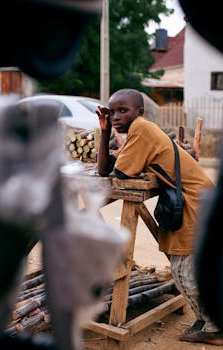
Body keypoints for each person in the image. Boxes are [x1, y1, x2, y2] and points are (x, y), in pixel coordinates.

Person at [96, 88, 223, 346]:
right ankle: (207, 320)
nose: (116, 116)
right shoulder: (138, 131)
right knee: (183, 270)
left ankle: (215, 330)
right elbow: (104, 169)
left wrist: (113, 148)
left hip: (194, 205)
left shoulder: (141, 129)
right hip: (192, 201)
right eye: (112, 112)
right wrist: (106, 131)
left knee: (187, 271)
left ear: (139, 112)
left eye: (123, 111)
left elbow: (118, 173)